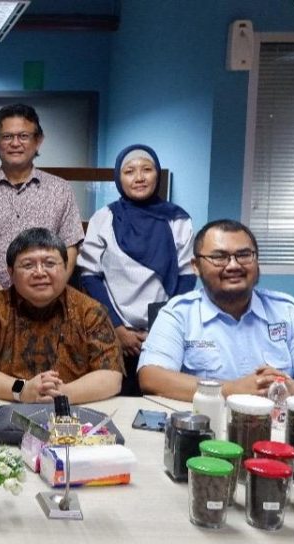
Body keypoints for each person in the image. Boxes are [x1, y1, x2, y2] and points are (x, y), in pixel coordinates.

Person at [138, 219, 294, 402]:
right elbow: (152, 377)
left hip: (277, 431)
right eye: (219, 257)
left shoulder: (287, 311)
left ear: (257, 260)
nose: (233, 265)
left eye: (244, 255)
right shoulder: (179, 313)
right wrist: (231, 389)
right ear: (196, 266)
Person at [77, 144, 195, 395]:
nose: (139, 177)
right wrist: (117, 327)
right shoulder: (104, 218)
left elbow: (186, 277)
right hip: (113, 330)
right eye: (129, 171)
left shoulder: (178, 219)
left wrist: (162, 329)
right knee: (112, 400)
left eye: (147, 169)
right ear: (119, 178)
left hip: (163, 330)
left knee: (158, 403)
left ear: (157, 174)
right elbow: (90, 276)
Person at [0, 228, 124, 404]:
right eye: (28, 265)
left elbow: (111, 376)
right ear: (11, 272)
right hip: (5, 407)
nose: (40, 272)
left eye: (50, 264)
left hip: (74, 414)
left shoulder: (90, 311)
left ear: (66, 268)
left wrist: (62, 394)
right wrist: (22, 390)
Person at [0, 103, 84, 296]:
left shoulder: (60, 189)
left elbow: (70, 247)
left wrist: (54, 289)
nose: (15, 143)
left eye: (23, 136)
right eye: (7, 136)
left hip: (45, 301)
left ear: (38, 140)